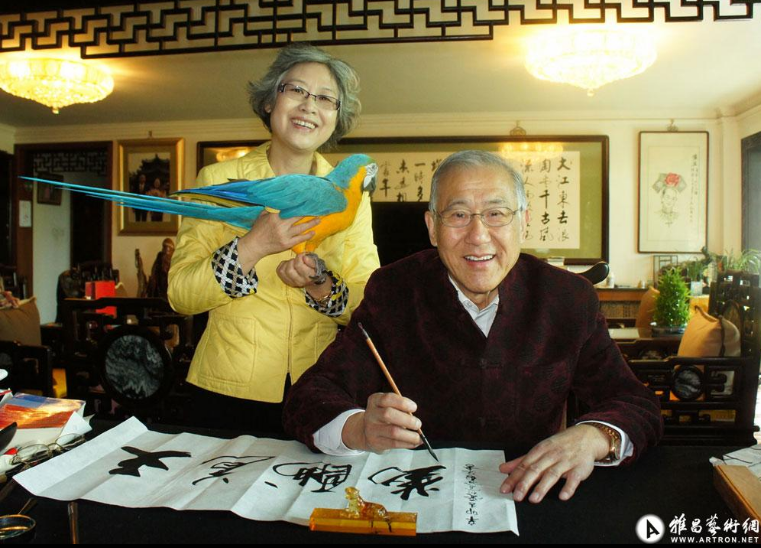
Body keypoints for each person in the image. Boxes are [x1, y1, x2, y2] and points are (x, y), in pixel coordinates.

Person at [284, 150, 662, 503]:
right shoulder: (393, 291)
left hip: (529, 498)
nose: (478, 236)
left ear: (523, 222)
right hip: (414, 497)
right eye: (458, 215)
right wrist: (358, 429)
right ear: (432, 228)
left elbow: (635, 402)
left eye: (496, 214)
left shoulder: (568, 298)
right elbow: (311, 395)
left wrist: (593, 437)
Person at [168, 44, 379, 433]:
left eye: (326, 98)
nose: (309, 105)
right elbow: (181, 295)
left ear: (336, 117)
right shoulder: (217, 179)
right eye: (296, 90)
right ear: (270, 101)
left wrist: (320, 284)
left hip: (319, 387)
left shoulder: (353, 198)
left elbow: (369, 303)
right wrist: (253, 246)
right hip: (226, 388)